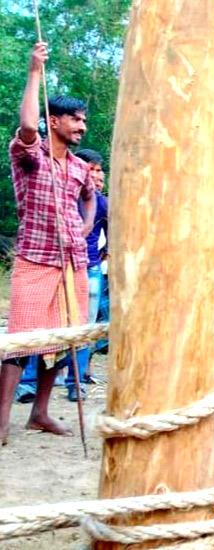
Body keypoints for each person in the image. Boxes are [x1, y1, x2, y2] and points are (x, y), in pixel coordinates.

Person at [1, 42, 96, 444]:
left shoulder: (79, 167)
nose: (81, 126)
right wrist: (34, 71)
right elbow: (26, 126)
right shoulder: (30, 155)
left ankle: (39, 413)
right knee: (22, 340)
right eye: (74, 119)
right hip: (35, 260)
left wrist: (86, 227)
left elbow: (91, 196)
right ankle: (1, 420)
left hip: (73, 262)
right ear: (52, 121)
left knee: (62, 339)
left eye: (83, 120)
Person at [61, 148, 108, 401]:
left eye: (100, 171)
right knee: (47, 326)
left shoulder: (100, 201)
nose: (98, 175)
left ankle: (76, 382)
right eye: (94, 169)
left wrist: (106, 253)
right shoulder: (64, 195)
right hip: (57, 265)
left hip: (88, 267)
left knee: (84, 326)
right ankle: (29, 383)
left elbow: (113, 231)